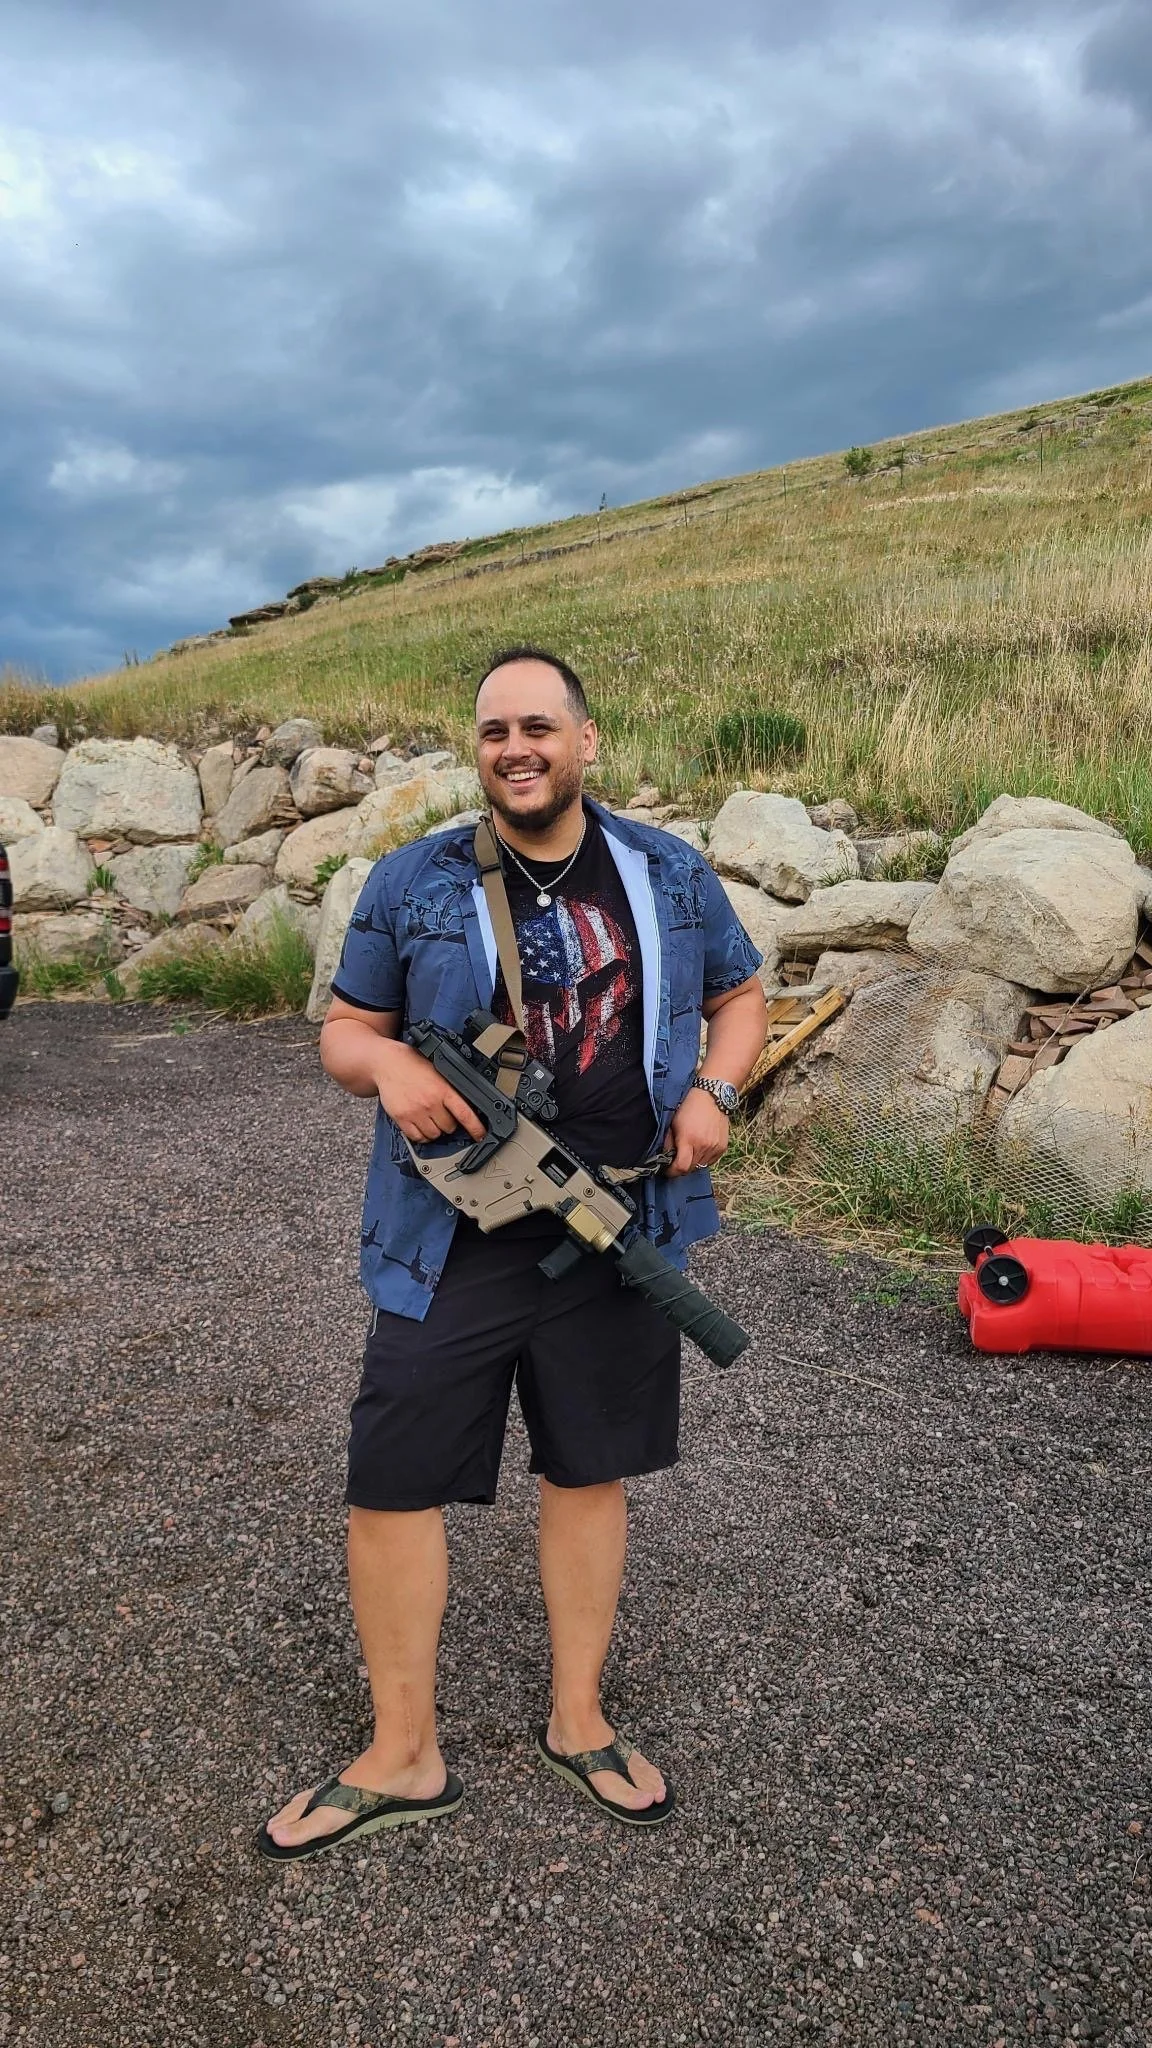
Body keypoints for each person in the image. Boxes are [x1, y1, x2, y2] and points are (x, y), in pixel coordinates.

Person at [257, 648, 767, 1860]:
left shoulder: (667, 870)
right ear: (477, 749)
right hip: (450, 1233)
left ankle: (579, 1718)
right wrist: (388, 1065)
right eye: (494, 730)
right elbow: (346, 1029)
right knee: (392, 1475)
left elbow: (742, 996)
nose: (516, 748)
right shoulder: (414, 877)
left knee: (590, 1468)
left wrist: (716, 1093)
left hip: (618, 1225)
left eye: (539, 726)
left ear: (585, 740)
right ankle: (402, 1750)